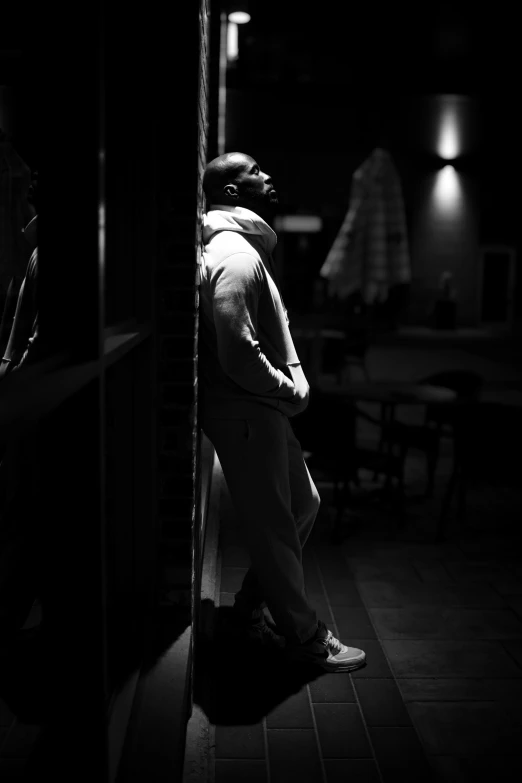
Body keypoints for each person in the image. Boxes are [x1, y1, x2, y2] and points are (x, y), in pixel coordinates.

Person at [198, 151, 366, 672]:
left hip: (258, 411)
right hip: (250, 411)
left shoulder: (243, 249)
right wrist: (286, 389)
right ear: (230, 192)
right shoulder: (235, 254)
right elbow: (236, 347)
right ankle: (305, 635)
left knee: (303, 503)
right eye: (254, 172)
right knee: (274, 523)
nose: (268, 176)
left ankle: (252, 606)